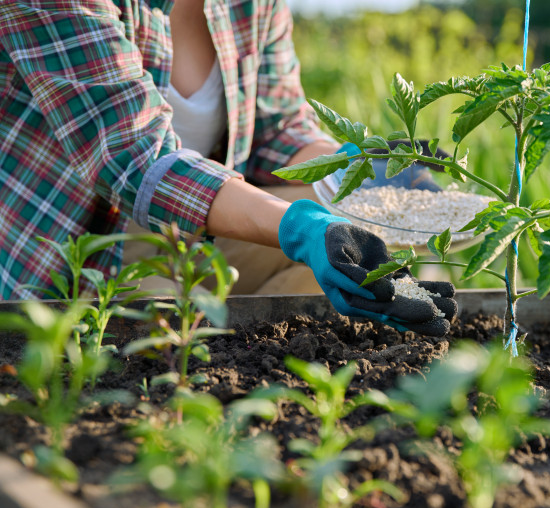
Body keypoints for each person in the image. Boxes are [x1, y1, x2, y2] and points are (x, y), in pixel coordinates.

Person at [0, 0, 457, 336]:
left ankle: (280, 371)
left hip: (202, 233)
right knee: (171, 328)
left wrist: (357, 170)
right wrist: (300, 228)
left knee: (381, 247)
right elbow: (135, 158)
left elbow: (279, 129)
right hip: (83, 252)